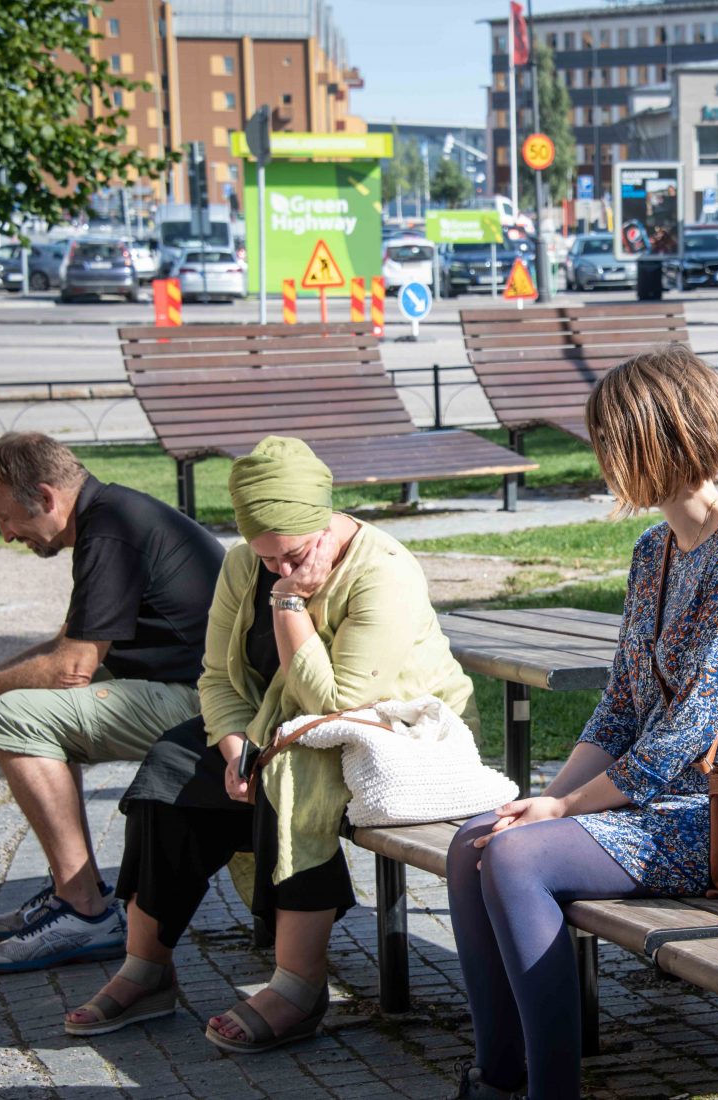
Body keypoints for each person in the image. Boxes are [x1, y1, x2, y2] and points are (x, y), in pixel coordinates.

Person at [445, 347, 718, 1100]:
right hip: (658, 805)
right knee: (473, 842)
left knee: (517, 860)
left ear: (657, 443)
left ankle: (552, 1091)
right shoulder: (654, 552)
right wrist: (547, 797)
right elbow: (621, 704)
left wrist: (563, 812)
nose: (600, 457)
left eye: (609, 441)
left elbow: (685, 733)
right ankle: (497, 1077)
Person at [63, 436, 476, 1052]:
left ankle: (299, 985)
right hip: (273, 728)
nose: (278, 569)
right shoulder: (242, 564)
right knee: (169, 770)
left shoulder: (380, 571)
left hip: (389, 731)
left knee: (292, 778)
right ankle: (146, 968)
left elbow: (336, 703)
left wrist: (289, 605)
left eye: (294, 556)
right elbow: (216, 676)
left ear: (323, 523)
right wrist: (232, 749)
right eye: (267, 560)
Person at [0, 432, 223, 973]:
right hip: (196, 688)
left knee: (18, 715)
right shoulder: (110, 516)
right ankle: (75, 896)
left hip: (213, 709)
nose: (6, 535)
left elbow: (70, 669)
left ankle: (86, 912)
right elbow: (65, 648)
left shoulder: (112, 530)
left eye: (4, 518)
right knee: (30, 698)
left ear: (44, 495)